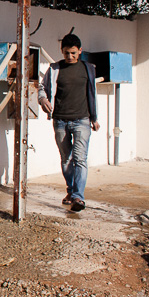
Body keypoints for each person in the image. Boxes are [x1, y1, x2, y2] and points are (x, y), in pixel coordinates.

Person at [38, 32, 100, 212]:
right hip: (60, 121)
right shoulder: (55, 69)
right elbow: (43, 87)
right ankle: (71, 191)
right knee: (66, 159)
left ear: (80, 51)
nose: (70, 56)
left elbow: (93, 94)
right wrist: (43, 100)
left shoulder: (88, 68)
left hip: (82, 121)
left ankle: (78, 197)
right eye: (66, 53)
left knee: (80, 159)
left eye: (73, 53)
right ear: (61, 51)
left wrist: (95, 118)